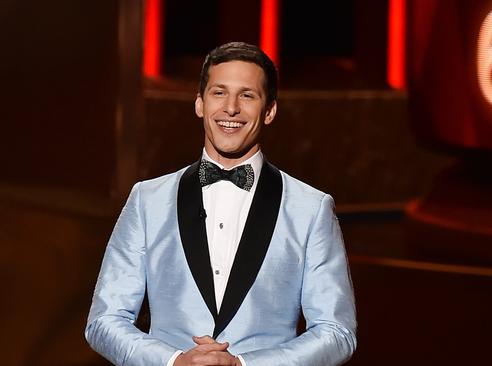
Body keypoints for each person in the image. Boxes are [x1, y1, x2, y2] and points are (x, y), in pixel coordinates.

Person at [85, 42, 357, 366]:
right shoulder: (147, 200)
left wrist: (243, 365)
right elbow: (103, 321)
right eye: (219, 93)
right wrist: (174, 361)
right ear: (199, 104)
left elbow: (337, 332)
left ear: (269, 110)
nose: (231, 108)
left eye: (247, 95)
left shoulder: (311, 209)